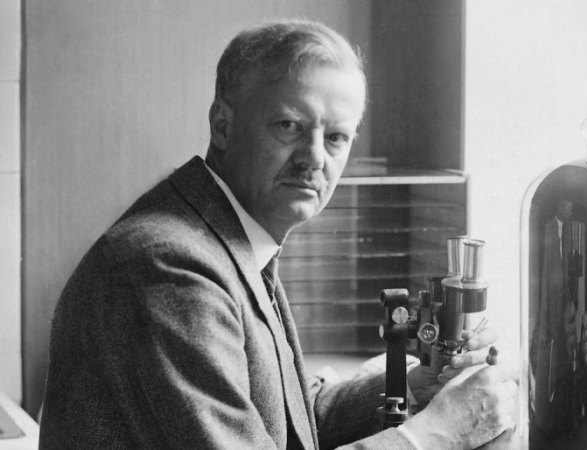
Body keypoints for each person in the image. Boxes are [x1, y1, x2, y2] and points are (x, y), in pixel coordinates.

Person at [39, 19, 517, 449]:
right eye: (289, 126)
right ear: (222, 124)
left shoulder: (230, 239)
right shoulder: (169, 268)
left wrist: (418, 384)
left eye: (335, 138)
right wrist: (439, 432)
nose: (314, 158)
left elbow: (289, 421)